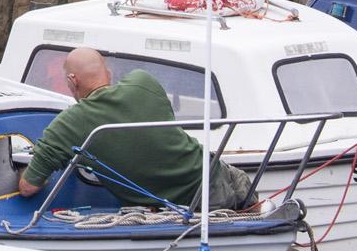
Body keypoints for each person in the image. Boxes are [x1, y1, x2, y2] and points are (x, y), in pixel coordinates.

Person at [19, 48, 245, 209]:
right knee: (264, 222)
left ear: (72, 81)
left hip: (176, 210)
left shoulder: (68, 125)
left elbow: (28, 187)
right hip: (215, 175)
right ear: (107, 73)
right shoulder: (142, 81)